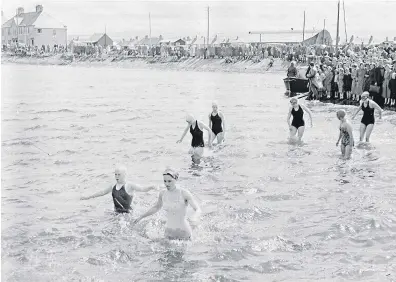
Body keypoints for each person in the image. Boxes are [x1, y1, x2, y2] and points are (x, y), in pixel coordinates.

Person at [133, 168, 201, 240]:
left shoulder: (184, 193)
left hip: (183, 231)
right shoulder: (163, 193)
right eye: (165, 181)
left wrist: (195, 217)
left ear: (176, 179)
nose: (166, 184)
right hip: (169, 232)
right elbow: (156, 207)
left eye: (169, 181)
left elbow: (197, 209)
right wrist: (141, 216)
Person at [80, 166, 156, 213]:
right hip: (116, 213)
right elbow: (102, 192)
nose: (117, 176)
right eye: (115, 174)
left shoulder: (129, 185)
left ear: (125, 175)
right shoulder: (113, 185)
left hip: (128, 214)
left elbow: (142, 188)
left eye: (119, 174)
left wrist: (151, 187)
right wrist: (88, 197)